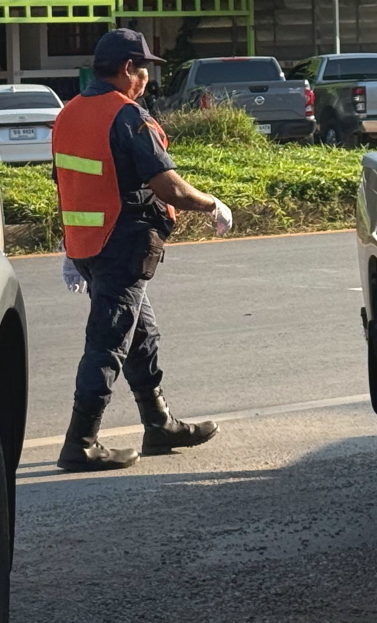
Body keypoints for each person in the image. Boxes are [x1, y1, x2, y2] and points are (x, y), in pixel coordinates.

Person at [52, 29, 234, 472]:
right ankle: (80, 442)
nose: (148, 79)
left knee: (140, 335)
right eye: (145, 69)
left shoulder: (69, 113)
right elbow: (168, 187)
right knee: (109, 341)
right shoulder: (127, 116)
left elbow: (69, 181)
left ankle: (159, 424)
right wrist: (211, 204)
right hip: (123, 243)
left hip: (89, 245)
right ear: (127, 69)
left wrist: (69, 245)